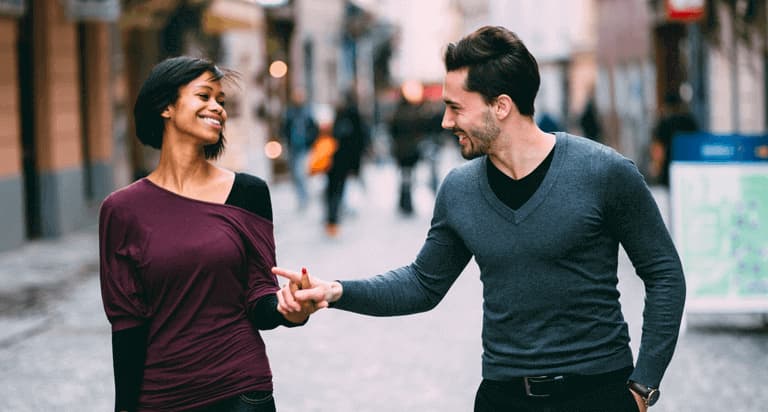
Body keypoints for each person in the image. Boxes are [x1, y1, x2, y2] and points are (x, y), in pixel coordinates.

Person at [273, 26, 686, 412]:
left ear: (500, 107)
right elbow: (421, 284)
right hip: (503, 397)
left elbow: (664, 273)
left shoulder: (603, 172)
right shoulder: (460, 189)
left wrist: (642, 386)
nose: (445, 121)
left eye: (455, 108)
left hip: (597, 391)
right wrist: (335, 291)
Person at [98, 56, 311, 412]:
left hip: (241, 389)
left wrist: (292, 309)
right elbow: (127, 326)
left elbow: (260, 299)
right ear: (166, 106)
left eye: (221, 101)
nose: (218, 108)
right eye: (204, 96)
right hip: (162, 396)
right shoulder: (122, 211)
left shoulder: (249, 193)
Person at [325, 91, 368, 237]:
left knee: (333, 191)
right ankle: (333, 218)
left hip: (335, 161)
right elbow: (359, 141)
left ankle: (332, 218)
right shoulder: (347, 116)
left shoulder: (341, 116)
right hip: (339, 161)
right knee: (337, 190)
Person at [390, 86, 429, 215]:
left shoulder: (396, 113)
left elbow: (392, 132)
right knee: (409, 179)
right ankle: (407, 203)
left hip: (401, 152)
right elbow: (421, 130)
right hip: (410, 152)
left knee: (404, 178)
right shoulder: (413, 113)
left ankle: (403, 202)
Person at [650, 91, 699, 186]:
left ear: (666, 106)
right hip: (688, 168)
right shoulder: (690, 121)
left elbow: (659, 149)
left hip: (669, 170)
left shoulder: (664, 123)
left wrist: (656, 166)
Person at [281, 89, 319, 209]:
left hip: (304, 148)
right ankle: (302, 197)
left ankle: (305, 197)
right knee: (296, 175)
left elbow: (314, 129)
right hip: (293, 147)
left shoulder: (307, 112)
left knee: (300, 173)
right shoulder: (289, 113)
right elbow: (284, 128)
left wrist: (310, 141)